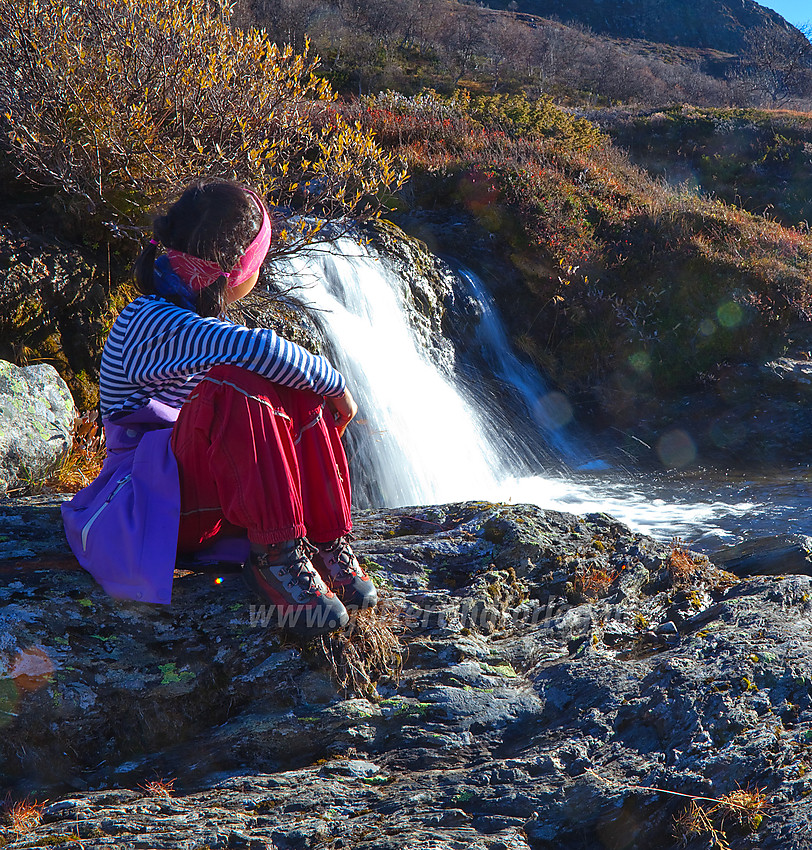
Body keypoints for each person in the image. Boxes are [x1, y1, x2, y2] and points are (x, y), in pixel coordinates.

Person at [62, 178, 377, 637]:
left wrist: (317, 389)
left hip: (193, 495)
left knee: (289, 383)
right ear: (237, 270)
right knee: (238, 379)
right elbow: (254, 349)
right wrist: (336, 385)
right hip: (150, 502)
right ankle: (276, 556)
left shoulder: (191, 317)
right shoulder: (146, 319)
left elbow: (265, 357)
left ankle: (325, 538)